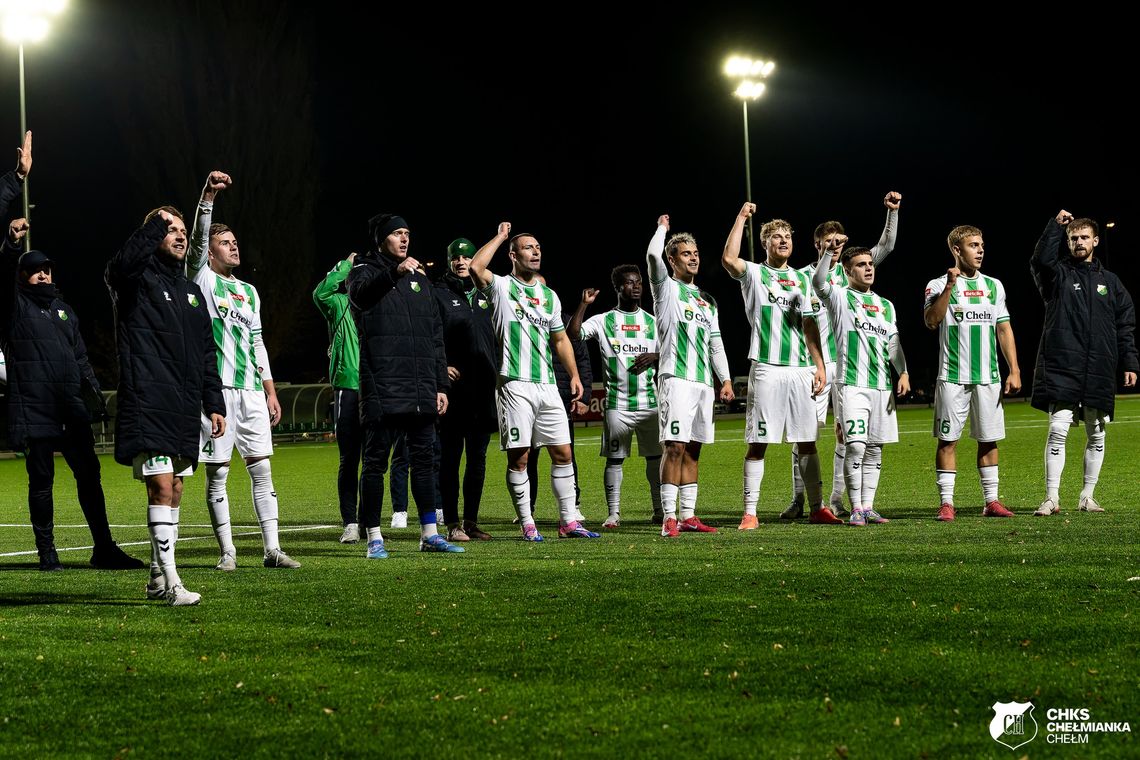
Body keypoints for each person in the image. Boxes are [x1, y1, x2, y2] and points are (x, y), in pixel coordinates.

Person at [1, 133, 143, 571]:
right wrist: (10, 235)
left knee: (90, 477)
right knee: (41, 481)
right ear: (22, 276)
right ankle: (47, 553)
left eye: (46, 270)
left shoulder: (64, 309)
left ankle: (104, 547)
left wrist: (92, 394)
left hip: (70, 406)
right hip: (36, 406)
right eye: (34, 271)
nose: (43, 275)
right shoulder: (13, 306)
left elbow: (81, 358)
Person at [106, 204, 226, 606]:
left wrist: (214, 402)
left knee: (174, 489)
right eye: (168, 229)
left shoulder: (190, 293)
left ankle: (157, 577)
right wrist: (153, 220)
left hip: (183, 405)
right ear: (153, 234)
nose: (179, 235)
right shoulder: (135, 280)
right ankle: (173, 583)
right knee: (159, 487)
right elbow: (119, 266)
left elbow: (205, 352)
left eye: (181, 230)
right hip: (148, 399)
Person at [186, 172, 299, 570]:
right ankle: (228, 552)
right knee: (217, 474)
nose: (233, 246)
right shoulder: (201, 278)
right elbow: (198, 238)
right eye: (225, 243)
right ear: (211, 252)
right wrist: (208, 197)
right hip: (217, 392)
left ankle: (272, 549)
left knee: (262, 468)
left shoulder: (249, 292)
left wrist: (270, 390)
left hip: (251, 391)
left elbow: (257, 343)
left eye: (235, 242)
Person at [468, 223, 599, 541]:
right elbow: (475, 266)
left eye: (538, 247)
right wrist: (501, 236)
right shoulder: (500, 287)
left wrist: (575, 375)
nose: (536, 251)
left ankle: (568, 521)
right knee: (521, 456)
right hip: (514, 384)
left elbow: (561, 340)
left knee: (563, 453)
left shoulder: (549, 296)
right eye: (528, 247)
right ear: (513, 255)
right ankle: (527, 522)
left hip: (548, 385)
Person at [348, 213, 461, 556]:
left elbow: (435, 336)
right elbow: (361, 298)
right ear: (382, 238)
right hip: (383, 385)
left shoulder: (422, 282)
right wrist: (391, 274)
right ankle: (374, 538)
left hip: (422, 386)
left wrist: (440, 384)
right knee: (376, 463)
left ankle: (429, 534)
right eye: (397, 233)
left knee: (425, 462)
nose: (404, 238)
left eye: (407, 233)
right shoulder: (364, 272)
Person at [788, 192, 901, 519]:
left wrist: (891, 212)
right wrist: (813, 362)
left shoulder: (852, 270)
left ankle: (839, 499)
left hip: (853, 366)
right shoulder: (805, 278)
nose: (835, 246)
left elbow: (886, 246)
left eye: (838, 241)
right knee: (806, 432)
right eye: (829, 241)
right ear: (817, 243)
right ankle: (802, 499)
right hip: (816, 364)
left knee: (848, 435)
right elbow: (803, 324)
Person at [721, 205, 833, 529]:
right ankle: (750, 512)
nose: (783, 241)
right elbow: (729, 259)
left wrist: (820, 367)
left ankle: (817, 507)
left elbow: (810, 326)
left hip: (800, 369)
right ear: (765, 243)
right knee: (759, 441)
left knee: (807, 440)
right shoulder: (755, 273)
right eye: (776, 237)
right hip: (768, 366)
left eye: (787, 236)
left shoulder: (803, 279)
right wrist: (741, 217)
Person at [1030, 210, 1137, 516]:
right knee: (1058, 429)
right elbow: (1039, 261)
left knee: (1097, 433)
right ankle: (1051, 497)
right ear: (1067, 242)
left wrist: (1130, 361)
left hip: (1099, 366)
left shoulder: (1111, 283)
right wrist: (1055, 227)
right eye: (1073, 238)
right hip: (1063, 363)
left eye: (1083, 237)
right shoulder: (1057, 275)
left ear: (1096, 241)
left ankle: (1087, 496)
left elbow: (1125, 324)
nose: (1078, 242)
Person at [923, 225, 1020, 520]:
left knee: (989, 440)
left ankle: (991, 501)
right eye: (973, 245)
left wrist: (1013, 369)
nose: (980, 250)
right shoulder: (937, 284)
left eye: (981, 245)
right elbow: (931, 320)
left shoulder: (994, 286)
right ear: (956, 250)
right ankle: (947, 503)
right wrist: (950, 287)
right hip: (952, 377)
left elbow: (1003, 328)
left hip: (988, 377)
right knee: (948, 440)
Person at [647, 214, 733, 538]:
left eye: (696, 253)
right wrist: (662, 229)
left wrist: (724, 379)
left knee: (694, 448)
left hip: (702, 384)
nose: (694, 257)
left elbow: (716, 343)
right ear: (673, 260)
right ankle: (669, 517)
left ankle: (689, 515)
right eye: (686, 253)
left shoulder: (707, 301)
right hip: (676, 379)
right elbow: (652, 256)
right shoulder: (666, 289)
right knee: (675, 447)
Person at [811, 244, 910, 525]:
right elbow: (818, 282)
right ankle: (855, 507)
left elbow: (893, 344)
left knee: (876, 448)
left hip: (882, 387)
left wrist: (902, 372)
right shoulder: (840, 297)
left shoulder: (885, 305)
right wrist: (828, 254)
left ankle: (868, 506)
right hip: (852, 385)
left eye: (871, 263)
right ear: (847, 270)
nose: (868, 268)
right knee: (855, 446)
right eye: (861, 264)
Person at [569, 264, 662, 527]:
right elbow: (573, 334)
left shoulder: (652, 322)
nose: (636, 287)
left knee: (655, 459)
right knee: (615, 459)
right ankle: (614, 513)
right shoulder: (603, 320)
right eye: (630, 283)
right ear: (618, 287)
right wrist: (584, 305)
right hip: (616, 404)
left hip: (649, 403)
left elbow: (674, 352)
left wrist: (655, 356)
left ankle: (659, 510)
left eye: (639, 282)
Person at [432, 237, 497, 541]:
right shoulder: (437, 294)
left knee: (478, 457)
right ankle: (452, 524)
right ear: (448, 261)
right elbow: (426, 335)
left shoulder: (487, 294)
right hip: (453, 389)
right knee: (450, 456)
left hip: (483, 386)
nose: (461, 262)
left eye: (467, 257)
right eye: (455, 257)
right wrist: (439, 366)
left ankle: (471, 521)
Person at [525, 273, 591, 522]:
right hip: (530, 395)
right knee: (528, 455)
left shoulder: (564, 322)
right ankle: (527, 509)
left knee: (566, 453)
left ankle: (573, 505)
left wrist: (582, 395)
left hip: (561, 398)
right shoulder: (522, 322)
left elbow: (582, 360)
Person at [313, 253, 364, 543]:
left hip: (376, 389)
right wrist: (344, 265)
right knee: (349, 459)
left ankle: (371, 523)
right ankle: (351, 522)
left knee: (374, 461)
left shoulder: (378, 303)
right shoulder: (339, 304)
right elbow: (321, 292)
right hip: (347, 387)